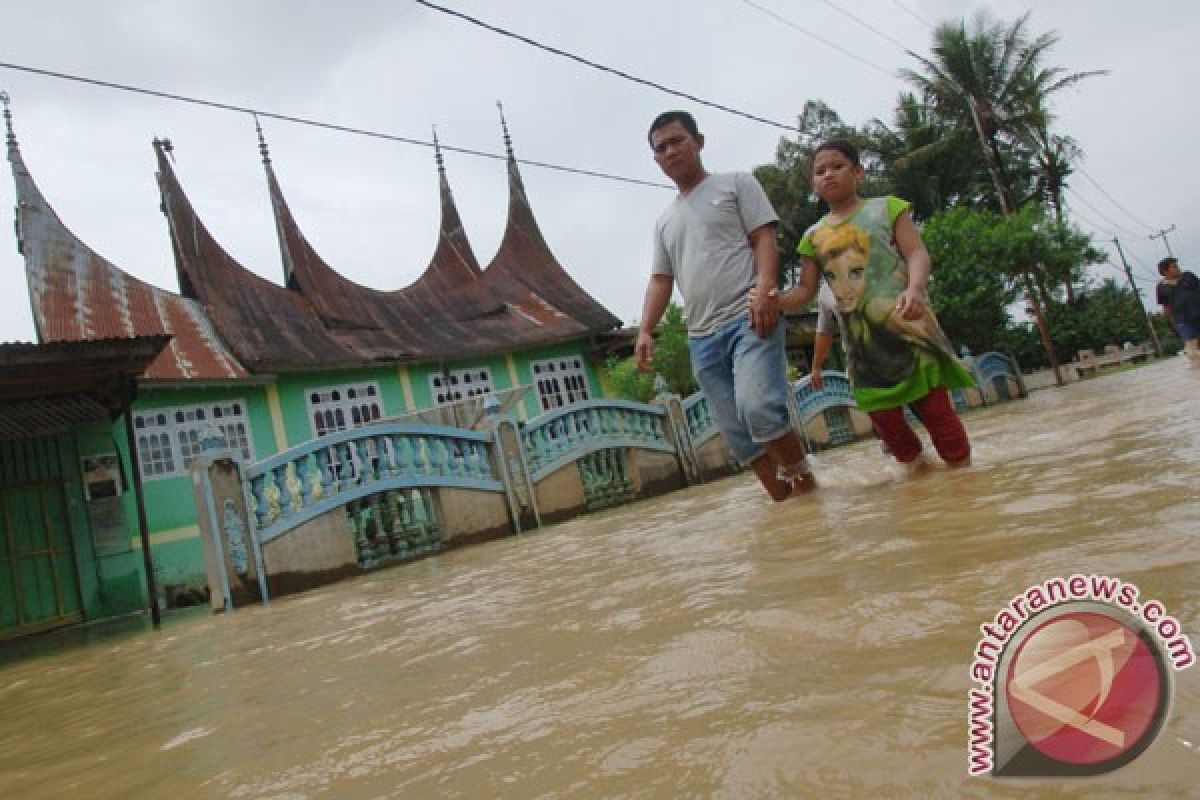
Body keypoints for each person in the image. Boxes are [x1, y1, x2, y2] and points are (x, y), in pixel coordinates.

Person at [636, 111, 820, 501]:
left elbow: (764, 237)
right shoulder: (664, 222)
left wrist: (766, 288)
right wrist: (645, 329)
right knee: (738, 435)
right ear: (656, 160)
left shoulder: (736, 184)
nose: (670, 151)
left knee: (759, 410)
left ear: (698, 142)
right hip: (702, 337)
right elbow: (661, 280)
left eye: (677, 141)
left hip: (750, 317)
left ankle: (809, 492)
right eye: (661, 148)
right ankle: (789, 510)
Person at [759, 138, 974, 468]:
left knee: (938, 415)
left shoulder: (888, 208)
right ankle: (921, 480)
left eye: (837, 167)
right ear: (813, 184)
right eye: (820, 171)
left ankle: (963, 480)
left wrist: (915, 288)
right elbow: (805, 291)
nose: (828, 175)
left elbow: (915, 252)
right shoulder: (812, 237)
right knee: (889, 427)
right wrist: (775, 300)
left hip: (910, 329)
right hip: (864, 351)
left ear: (858, 172)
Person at [1156, 257, 1200, 367]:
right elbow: (1166, 308)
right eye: (1174, 267)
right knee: (1191, 349)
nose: (1178, 268)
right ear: (1165, 271)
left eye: (1177, 265)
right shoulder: (1161, 287)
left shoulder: (1188, 276)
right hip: (1183, 319)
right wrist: (1173, 324)